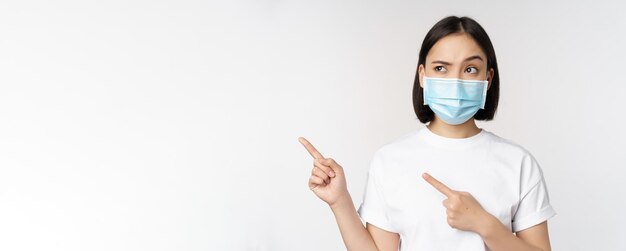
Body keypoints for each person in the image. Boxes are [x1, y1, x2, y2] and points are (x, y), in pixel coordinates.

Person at [298, 16, 556, 251]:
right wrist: (340, 202)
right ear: (423, 75)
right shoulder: (390, 160)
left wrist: (485, 224)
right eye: (441, 68)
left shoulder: (518, 163)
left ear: (488, 79)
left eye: (470, 69)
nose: (455, 81)